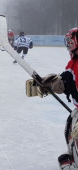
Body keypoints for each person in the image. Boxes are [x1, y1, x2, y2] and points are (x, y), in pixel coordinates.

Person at [26, 27, 78, 170]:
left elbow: (69, 83)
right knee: (71, 124)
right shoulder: (74, 62)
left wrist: (55, 85)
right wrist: (54, 83)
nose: (68, 44)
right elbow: (67, 81)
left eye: (70, 41)